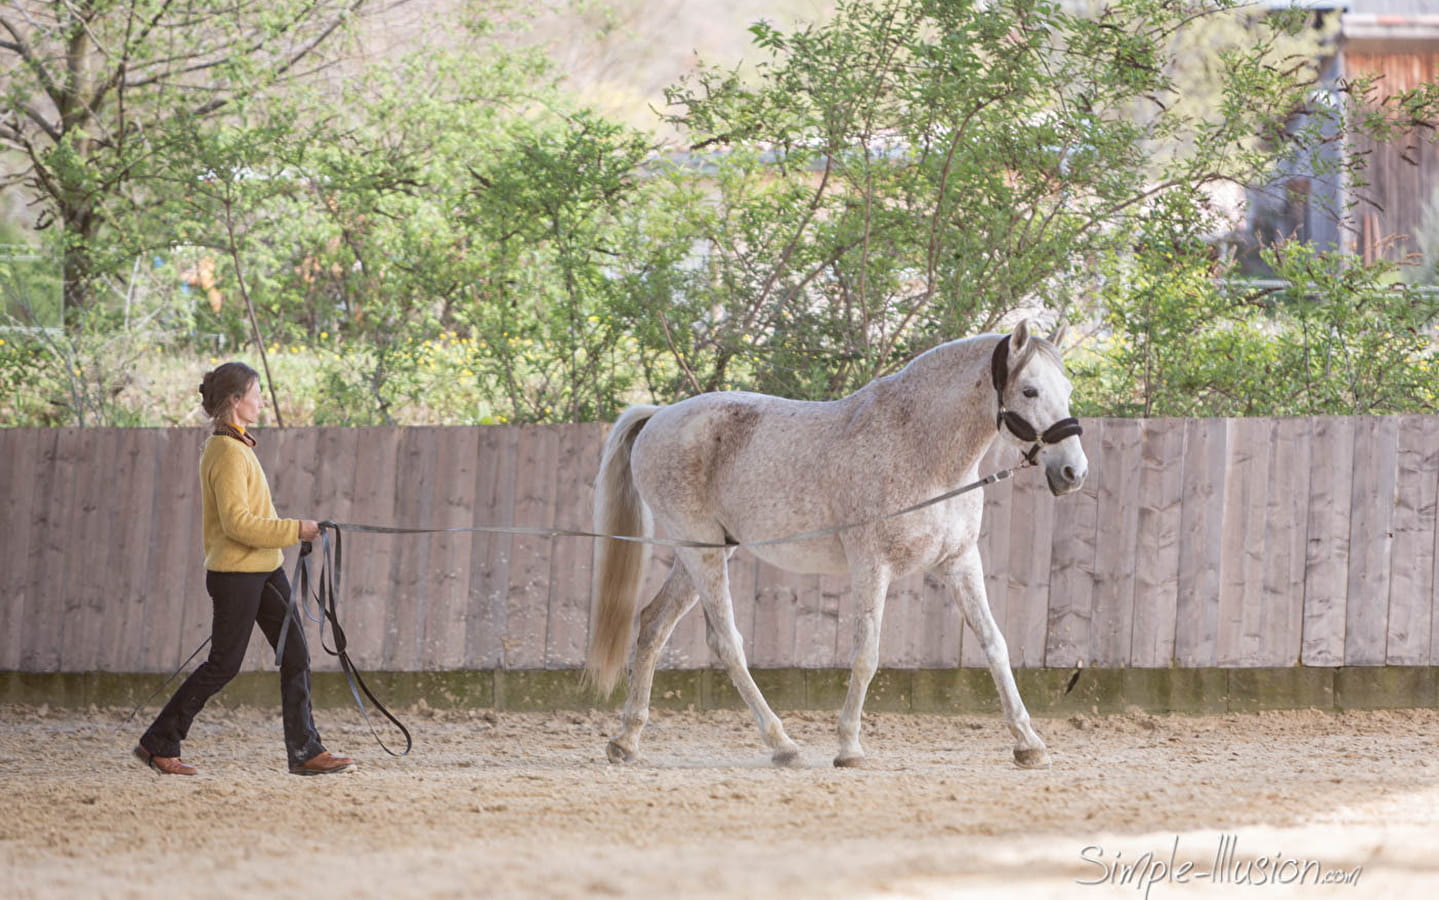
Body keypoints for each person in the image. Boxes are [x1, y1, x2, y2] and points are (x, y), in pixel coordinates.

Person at [134, 362, 354, 776]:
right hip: (238, 574)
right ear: (236, 401)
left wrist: (296, 532)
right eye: (256, 393)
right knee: (223, 665)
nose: (261, 401)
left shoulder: (238, 447)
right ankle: (158, 741)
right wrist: (297, 530)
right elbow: (238, 524)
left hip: (264, 569)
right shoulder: (227, 452)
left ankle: (305, 751)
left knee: (296, 655)